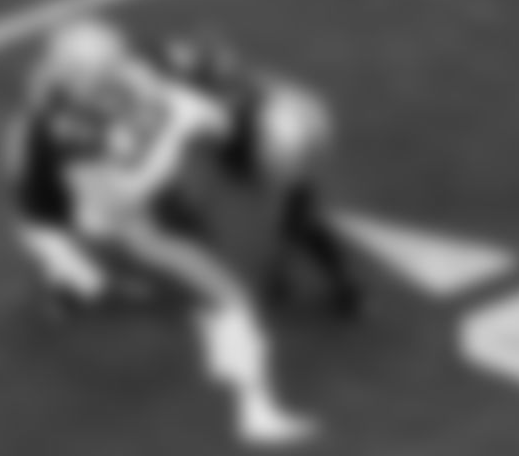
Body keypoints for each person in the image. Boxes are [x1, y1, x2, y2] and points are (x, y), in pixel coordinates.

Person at [4, 16, 316, 445]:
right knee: (228, 294)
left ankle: (77, 282)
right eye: (103, 68)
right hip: (104, 222)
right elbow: (114, 207)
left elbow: (201, 61)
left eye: (115, 61)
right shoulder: (67, 131)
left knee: (205, 279)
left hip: (124, 203)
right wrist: (176, 134)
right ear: (79, 74)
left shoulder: (124, 76)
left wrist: (228, 106)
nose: (116, 69)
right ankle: (255, 413)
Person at [154, 35, 365, 317]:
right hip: (297, 127)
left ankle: (325, 279)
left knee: (296, 213)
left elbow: (229, 142)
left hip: (282, 136)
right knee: (297, 210)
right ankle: (304, 276)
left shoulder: (221, 104)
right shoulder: (243, 86)